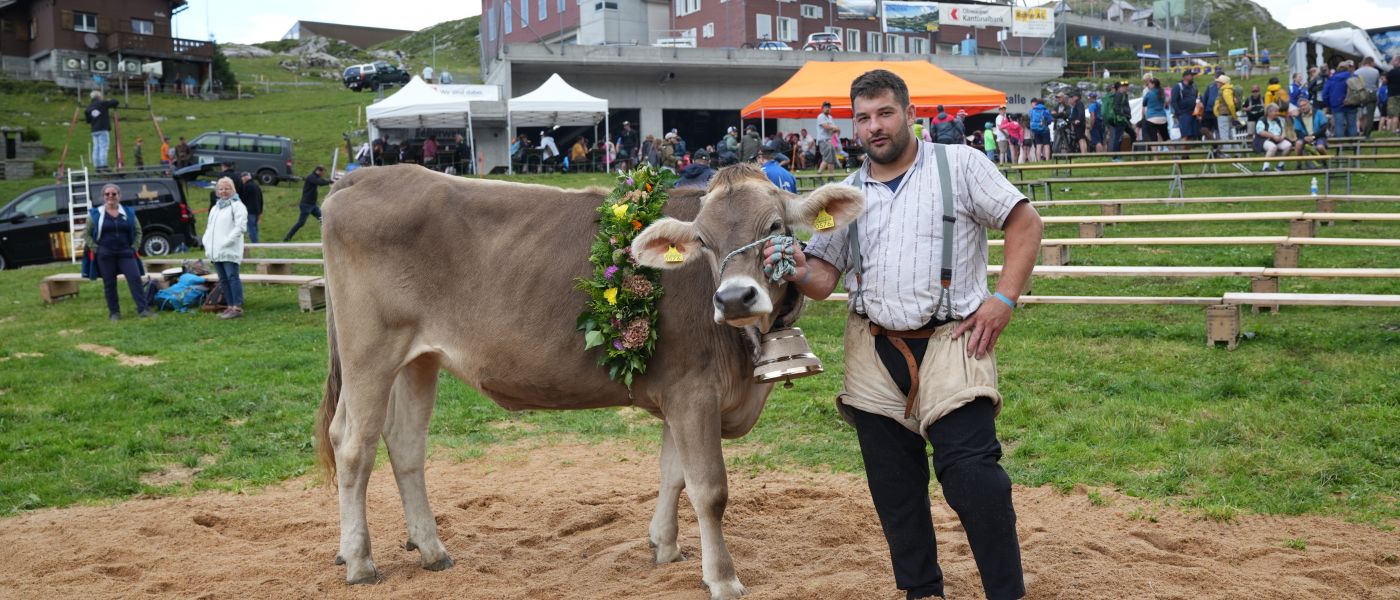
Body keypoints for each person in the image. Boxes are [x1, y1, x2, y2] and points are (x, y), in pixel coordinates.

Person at [766, 68, 1041, 600]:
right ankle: (922, 592)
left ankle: (1007, 594)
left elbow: (1025, 223)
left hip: (952, 341)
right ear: (853, 126)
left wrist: (1003, 299)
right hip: (872, 349)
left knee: (974, 481)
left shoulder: (959, 165)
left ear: (910, 113)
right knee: (895, 492)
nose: (875, 127)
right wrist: (795, 264)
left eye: (885, 113)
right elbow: (824, 281)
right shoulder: (842, 195)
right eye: (864, 118)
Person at [82, 184, 154, 320]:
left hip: (126, 253)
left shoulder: (128, 212)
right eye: (107, 194)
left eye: (114, 194)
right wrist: (96, 249)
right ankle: (114, 313)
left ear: (119, 196)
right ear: (103, 197)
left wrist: (134, 247)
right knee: (109, 283)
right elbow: (86, 234)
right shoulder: (95, 214)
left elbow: (138, 231)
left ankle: (143, 309)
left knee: (135, 279)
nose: (110, 196)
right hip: (105, 254)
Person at [203, 177, 248, 320]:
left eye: (226, 188)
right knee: (223, 279)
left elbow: (240, 227)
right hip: (216, 250)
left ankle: (237, 306)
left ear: (232, 189)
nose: (223, 191)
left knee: (232, 277)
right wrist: (206, 242)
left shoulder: (237, 205)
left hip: (229, 249)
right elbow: (210, 228)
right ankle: (229, 306)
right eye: (221, 189)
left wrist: (227, 241)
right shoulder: (215, 208)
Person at [283, 165, 330, 241]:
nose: (323, 174)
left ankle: (328, 238)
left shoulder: (315, 177)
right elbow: (320, 182)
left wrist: (329, 181)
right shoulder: (311, 177)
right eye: (322, 173)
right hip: (306, 205)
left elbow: (321, 180)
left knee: (323, 219)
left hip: (313, 205)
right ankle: (287, 237)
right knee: (301, 223)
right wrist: (330, 181)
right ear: (318, 171)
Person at [85, 91, 120, 172]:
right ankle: (103, 165)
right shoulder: (102, 103)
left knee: (96, 148)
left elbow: (88, 120)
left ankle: (97, 166)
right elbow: (116, 102)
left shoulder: (89, 107)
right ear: (98, 97)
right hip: (103, 129)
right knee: (103, 147)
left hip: (94, 130)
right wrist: (109, 100)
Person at [1323, 61, 1357, 139]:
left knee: (1339, 125)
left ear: (1337, 69)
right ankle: (1355, 146)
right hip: (1352, 104)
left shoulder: (1332, 79)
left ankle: (1340, 147)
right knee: (1352, 125)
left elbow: (1325, 95)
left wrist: (1329, 104)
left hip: (1337, 105)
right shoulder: (1354, 77)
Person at [1254, 104, 1292, 171]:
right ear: (1269, 112)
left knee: (1288, 145)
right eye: (1276, 111)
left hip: (1277, 139)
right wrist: (1273, 136)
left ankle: (1280, 166)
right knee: (1272, 147)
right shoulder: (1262, 119)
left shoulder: (1279, 120)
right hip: (1263, 140)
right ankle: (1265, 167)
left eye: (1278, 111)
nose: (1278, 113)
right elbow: (1260, 131)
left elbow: (1283, 130)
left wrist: (1281, 137)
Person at [1293, 97, 1329, 165]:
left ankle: (1326, 162)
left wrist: (1313, 137)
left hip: (1319, 136)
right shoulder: (1298, 117)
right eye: (1301, 106)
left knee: (1320, 147)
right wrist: (1305, 137)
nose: (1303, 107)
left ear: (1309, 104)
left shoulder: (1319, 113)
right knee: (1298, 144)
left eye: (1304, 105)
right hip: (1305, 137)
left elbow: (1324, 128)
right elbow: (1297, 131)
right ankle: (1298, 165)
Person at [1355, 57, 1380, 135]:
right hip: (1372, 93)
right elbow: (1377, 84)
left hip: (1361, 94)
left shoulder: (1357, 72)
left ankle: (1360, 130)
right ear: (1371, 62)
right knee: (1370, 115)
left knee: (1360, 114)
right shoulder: (1376, 71)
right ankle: (1367, 133)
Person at [1141, 78, 1169, 146]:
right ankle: (1174, 155)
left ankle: (1155, 157)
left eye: (1149, 84)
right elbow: (1166, 102)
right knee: (1166, 138)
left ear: (1153, 84)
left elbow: (1144, 103)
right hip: (1163, 117)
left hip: (1151, 118)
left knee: (1153, 140)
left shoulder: (1149, 93)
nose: (1148, 85)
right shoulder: (1162, 92)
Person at [1172, 71, 1199, 141]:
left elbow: (1197, 98)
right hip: (1184, 114)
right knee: (1185, 135)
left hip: (1193, 114)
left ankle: (1187, 151)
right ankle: (1181, 152)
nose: (1192, 77)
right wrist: (1179, 113)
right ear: (1185, 77)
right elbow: (1173, 101)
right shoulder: (1178, 87)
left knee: (1191, 137)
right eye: (1191, 75)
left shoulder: (1193, 86)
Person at [240, 172, 264, 243]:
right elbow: (261, 199)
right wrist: (260, 211)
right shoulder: (256, 186)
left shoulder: (246, 186)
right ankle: (256, 242)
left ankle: (255, 243)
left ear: (245, 177)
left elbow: (242, 198)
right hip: (257, 210)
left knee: (251, 228)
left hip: (249, 211)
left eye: (242, 178)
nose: (241, 180)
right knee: (255, 228)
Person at [816, 101, 840, 174]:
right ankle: (818, 175)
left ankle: (831, 176)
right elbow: (826, 126)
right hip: (823, 140)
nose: (827, 108)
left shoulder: (830, 117)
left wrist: (835, 129)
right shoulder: (821, 116)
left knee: (832, 159)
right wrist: (834, 127)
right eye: (826, 107)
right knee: (827, 158)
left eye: (829, 107)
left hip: (829, 140)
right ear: (822, 109)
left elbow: (835, 130)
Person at [1213, 75, 1237, 141]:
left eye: (1219, 82)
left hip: (1224, 116)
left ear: (1223, 83)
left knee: (1224, 137)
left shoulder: (1226, 91)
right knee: (1230, 136)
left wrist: (1234, 116)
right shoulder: (1225, 90)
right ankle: (1237, 151)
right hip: (1226, 116)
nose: (1217, 83)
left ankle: (1227, 151)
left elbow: (1231, 104)